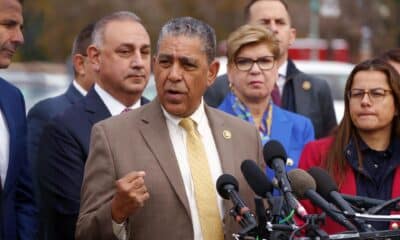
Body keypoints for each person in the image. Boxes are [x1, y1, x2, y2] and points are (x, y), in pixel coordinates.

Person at [76, 17, 263, 240]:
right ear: (154, 64)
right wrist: (116, 212)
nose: (173, 75)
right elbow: (85, 233)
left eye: (187, 65)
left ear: (212, 72)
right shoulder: (112, 136)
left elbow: (261, 221)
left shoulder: (245, 136)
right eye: (165, 62)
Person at [36, 11, 150, 240]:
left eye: (145, 52)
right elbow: (69, 224)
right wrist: (116, 211)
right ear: (95, 58)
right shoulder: (63, 129)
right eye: (125, 52)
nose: (138, 62)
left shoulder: (163, 119)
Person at [205, 0, 337, 139]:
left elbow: (328, 150)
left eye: (280, 22)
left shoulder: (317, 90)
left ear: (292, 35)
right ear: (246, 31)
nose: (273, 28)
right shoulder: (215, 88)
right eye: (264, 22)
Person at [299, 58, 400, 233]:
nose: (365, 101)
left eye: (377, 93)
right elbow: (299, 223)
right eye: (357, 93)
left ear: (397, 104)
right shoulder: (318, 153)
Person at [218, 24, 314, 178]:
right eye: (244, 62)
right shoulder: (208, 125)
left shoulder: (301, 128)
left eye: (264, 61)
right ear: (230, 72)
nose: (255, 70)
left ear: (276, 69)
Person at [0, 0, 38, 239]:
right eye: (9, 24)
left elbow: (23, 196)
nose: (20, 38)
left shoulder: (13, 99)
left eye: (21, 27)